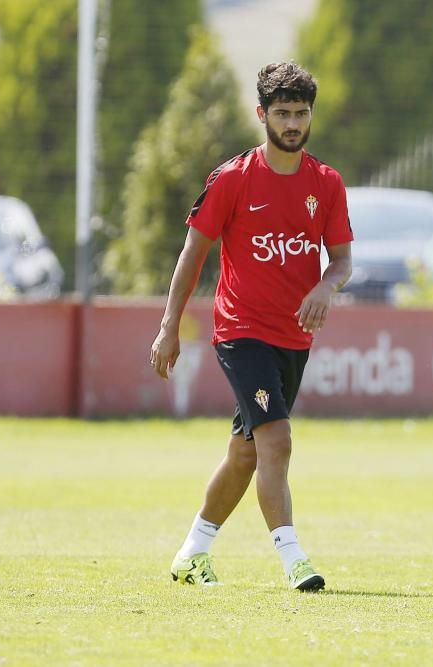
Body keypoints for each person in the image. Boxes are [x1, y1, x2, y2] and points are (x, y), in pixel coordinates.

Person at [149, 62, 353, 592]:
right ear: (261, 114)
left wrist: (325, 286)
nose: (292, 122)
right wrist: (170, 326)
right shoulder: (233, 178)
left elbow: (342, 261)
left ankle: (191, 554)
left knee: (245, 453)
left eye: (301, 113)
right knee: (277, 440)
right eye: (282, 113)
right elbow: (194, 252)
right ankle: (294, 560)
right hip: (240, 331)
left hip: (294, 338)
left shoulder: (326, 183)